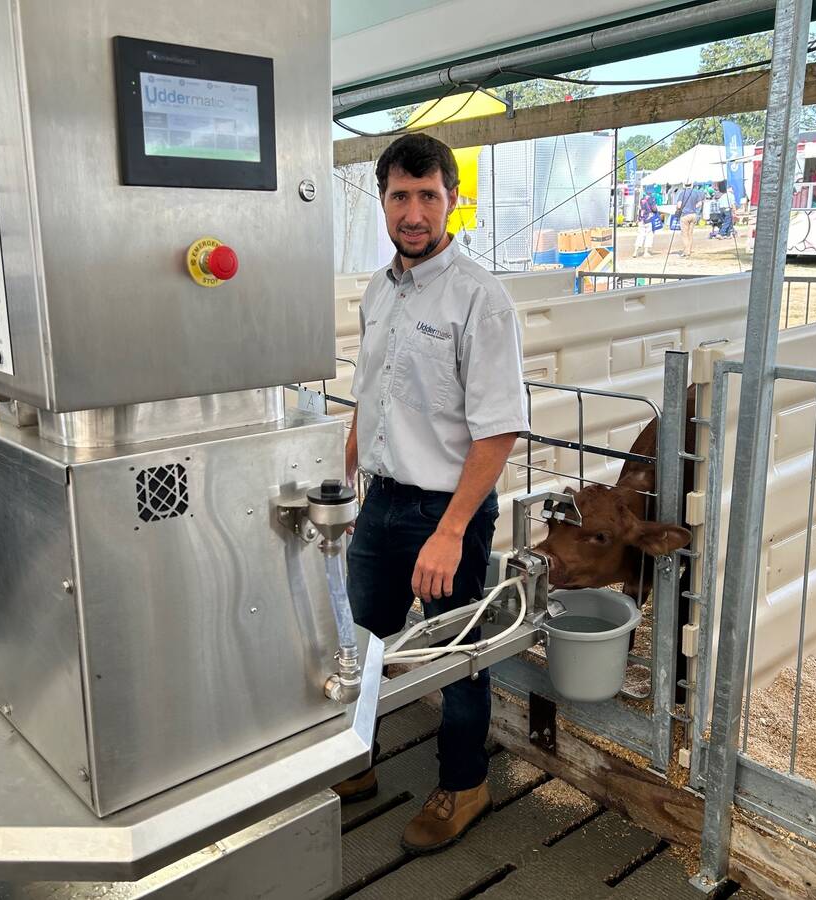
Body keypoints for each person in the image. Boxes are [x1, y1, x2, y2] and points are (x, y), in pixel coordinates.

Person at [340, 133, 528, 854]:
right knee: (359, 646)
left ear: (451, 199)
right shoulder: (379, 289)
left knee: (457, 654)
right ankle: (354, 762)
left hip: (445, 511)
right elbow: (370, 397)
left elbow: (499, 430)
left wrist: (450, 531)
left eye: (427, 196)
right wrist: (348, 480)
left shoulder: (480, 299)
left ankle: (465, 782)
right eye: (399, 196)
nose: (412, 212)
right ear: (382, 200)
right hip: (382, 503)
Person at [675, 182, 703, 257]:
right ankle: (689, 250)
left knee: (684, 234)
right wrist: (694, 207)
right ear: (692, 185)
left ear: (684, 185)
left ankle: (686, 251)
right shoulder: (695, 193)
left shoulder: (682, 193)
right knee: (690, 234)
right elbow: (700, 203)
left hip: (685, 215)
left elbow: (679, 205)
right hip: (693, 214)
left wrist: (679, 208)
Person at [633, 189, 659, 257]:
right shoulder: (652, 199)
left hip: (641, 219)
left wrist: (637, 218)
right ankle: (646, 253)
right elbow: (654, 209)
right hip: (649, 219)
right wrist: (656, 210)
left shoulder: (642, 199)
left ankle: (635, 252)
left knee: (640, 235)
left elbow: (639, 209)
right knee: (649, 235)